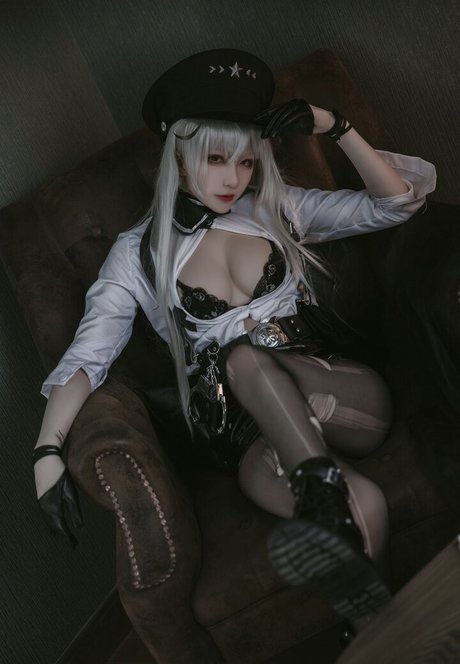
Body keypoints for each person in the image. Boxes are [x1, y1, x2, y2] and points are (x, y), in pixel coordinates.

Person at [32, 49, 436, 623]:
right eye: (217, 159)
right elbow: (87, 357)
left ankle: (321, 499)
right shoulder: (137, 256)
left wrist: (336, 127)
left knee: (245, 358)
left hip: (337, 391)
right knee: (362, 503)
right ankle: (375, 626)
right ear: (179, 158)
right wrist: (48, 449)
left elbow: (396, 202)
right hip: (246, 433)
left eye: (246, 162)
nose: (233, 178)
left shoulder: (275, 208)